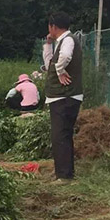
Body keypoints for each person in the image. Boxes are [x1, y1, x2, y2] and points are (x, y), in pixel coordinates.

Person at [43, 12, 83, 182]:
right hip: (62, 97)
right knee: (61, 135)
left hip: (64, 97)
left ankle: (65, 176)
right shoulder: (62, 42)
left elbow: (65, 57)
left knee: (60, 136)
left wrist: (60, 71)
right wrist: (48, 45)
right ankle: (63, 172)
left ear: (53, 26)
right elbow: (48, 66)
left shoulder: (68, 40)